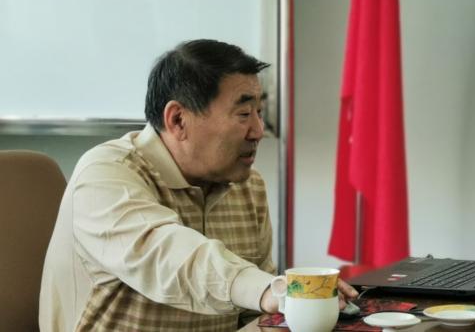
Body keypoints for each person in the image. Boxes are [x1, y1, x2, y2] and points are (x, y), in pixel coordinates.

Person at [39, 39, 357, 331]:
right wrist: (268, 289)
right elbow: (166, 256)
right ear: (178, 120)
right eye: (244, 113)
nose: (258, 130)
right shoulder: (105, 174)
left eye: (259, 112)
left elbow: (254, 316)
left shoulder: (248, 186)